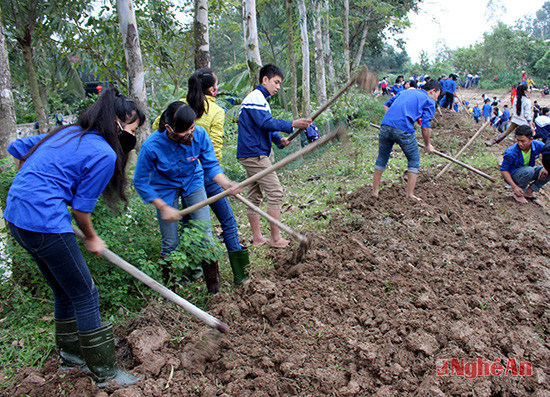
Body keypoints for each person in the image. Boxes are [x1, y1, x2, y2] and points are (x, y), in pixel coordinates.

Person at [3, 88, 146, 387]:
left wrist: (33, 187)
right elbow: (81, 209)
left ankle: (71, 357)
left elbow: (18, 149)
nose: (132, 136)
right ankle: (106, 374)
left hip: (16, 217)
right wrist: (92, 238)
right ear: (116, 124)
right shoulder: (105, 153)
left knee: (64, 290)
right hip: (44, 223)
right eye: (132, 130)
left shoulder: (67, 133)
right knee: (85, 293)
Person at [134, 102, 241, 294]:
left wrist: (227, 184)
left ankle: (214, 292)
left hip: (193, 181)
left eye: (192, 127)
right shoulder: (152, 146)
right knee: (170, 242)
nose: (191, 134)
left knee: (205, 234)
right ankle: (171, 294)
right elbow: (140, 182)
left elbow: (211, 166)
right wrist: (162, 207)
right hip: (164, 188)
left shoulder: (199, 135)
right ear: (169, 128)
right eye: (186, 132)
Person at [185, 68, 249, 284]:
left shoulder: (178, 106)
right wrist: (220, 177)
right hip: (206, 175)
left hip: (184, 177)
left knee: (191, 225)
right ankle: (241, 276)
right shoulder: (215, 110)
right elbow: (215, 149)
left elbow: (158, 128)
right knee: (228, 223)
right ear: (212, 89)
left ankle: (192, 274)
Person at [237, 64, 311, 248]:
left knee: (254, 196)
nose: (278, 87)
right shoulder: (255, 97)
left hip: (253, 152)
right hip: (255, 154)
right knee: (275, 192)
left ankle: (257, 238)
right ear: (265, 80)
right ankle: (275, 238)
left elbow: (264, 128)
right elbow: (265, 123)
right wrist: (292, 123)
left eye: (280, 83)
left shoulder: (261, 100)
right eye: (276, 82)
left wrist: (279, 140)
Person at [372, 79, 441, 200]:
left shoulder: (406, 92)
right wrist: (428, 145)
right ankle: (410, 195)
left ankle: (375, 192)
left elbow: (386, 104)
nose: (436, 99)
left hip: (385, 125)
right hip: (403, 129)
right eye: (437, 96)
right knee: (414, 160)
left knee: (382, 158)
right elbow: (425, 126)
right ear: (433, 91)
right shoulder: (429, 101)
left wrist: (392, 121)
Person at [500, 125, 550, 204]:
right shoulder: (511, 152)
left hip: (527, 173)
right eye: (518, 140)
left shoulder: (538, 145)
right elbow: (504, 170)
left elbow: (548, 153)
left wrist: (546, 167)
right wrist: (515, 187)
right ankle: (519, 193)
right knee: (529, 170)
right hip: (514, 175)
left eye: (523, 141)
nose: (520, 143)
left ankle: (529, 192)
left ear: (531, 139)